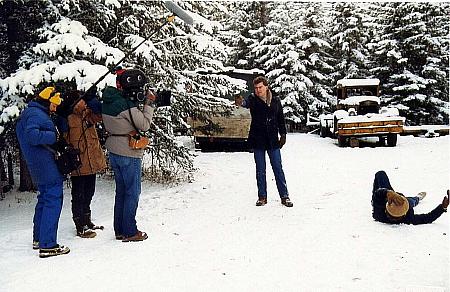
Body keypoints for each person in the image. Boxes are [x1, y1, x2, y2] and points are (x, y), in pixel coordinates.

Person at [16, 86, 70, 258]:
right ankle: (48, 245)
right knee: (53, 200)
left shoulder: (31, 112)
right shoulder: (35, 114)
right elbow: (33, 136)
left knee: (44, 199)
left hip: (38, 164)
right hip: (45, 165)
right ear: (47, 101)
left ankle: (39, 238)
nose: (55, 107)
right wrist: (54, 137)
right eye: (54, 104)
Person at [102, 68, 155, 242]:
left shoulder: (110, 99)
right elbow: (144, 124)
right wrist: (149, 104)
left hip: (114, 149)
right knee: (133, 192)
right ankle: (130, 231)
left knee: (122, 191)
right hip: (128, 151)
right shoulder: (125, 105)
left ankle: (120, 229)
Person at [61, 89, 107, 238]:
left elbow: (100, 113)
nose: (84, 102)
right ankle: (79, 224)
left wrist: (91, 98)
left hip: (91, 160)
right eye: (82, 100)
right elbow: (63, 134)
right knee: (78, 194)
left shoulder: (88, 113)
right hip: (78, 162)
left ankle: (87, 220)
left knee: (90, 191)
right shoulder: (67, 117)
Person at [241, 76, 293, 207]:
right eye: (256, 88)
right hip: (258, 139)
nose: (258, 90)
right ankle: (262, 197)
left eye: (260, 87)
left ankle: (284, 196)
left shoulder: (275, 101)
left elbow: (281, 118)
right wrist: (240, 102)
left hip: (272, 140)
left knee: (278, 168)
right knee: (260, 169)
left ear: (266, 87)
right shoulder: (252, 99)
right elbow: (245, 103)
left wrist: (283, 134)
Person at [371, 170, 448, 224]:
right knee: (412, 201)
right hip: (404, 201)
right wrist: (442, 207)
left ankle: (415, 198)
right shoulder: (408, 218)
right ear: (404, 214)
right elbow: (428, 218)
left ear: (386, 210)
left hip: (389, 196)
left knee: (380, 175)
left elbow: (377, 193)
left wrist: (387, 192)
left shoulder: (379, 214)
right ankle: (417, 198)